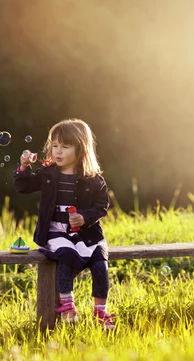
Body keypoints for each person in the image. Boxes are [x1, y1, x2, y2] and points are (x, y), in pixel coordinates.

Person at [13, 118, 115, 329]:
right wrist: (23, 167)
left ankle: (101, 311)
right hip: (55, 232)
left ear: (81, 150)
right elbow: (24, 187)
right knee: (66, 256)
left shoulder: (93, 179)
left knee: (100, 263)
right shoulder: (48, 174)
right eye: (54, 146)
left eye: (65, 147)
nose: (57, 152)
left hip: (87, 233)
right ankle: (67, 305)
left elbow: (102, 205)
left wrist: (85, 216)